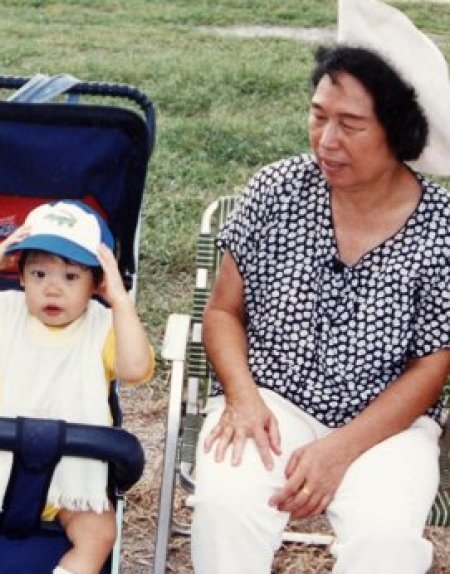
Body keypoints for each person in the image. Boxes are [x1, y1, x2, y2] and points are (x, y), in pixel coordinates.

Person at [191, 0, 450, 572]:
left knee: (386, 541)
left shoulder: (441, 226)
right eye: (318, 115)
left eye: (350, 124)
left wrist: (340, 449)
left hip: (387, 426)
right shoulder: (277, 189)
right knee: (225, 504)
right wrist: (242, 397)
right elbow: (224, 312)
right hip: (271, 400)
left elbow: (434, 364)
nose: (327, 140)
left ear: (398, 132)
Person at [0, 199, 154, 574]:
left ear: (95, 284)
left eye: (70, 278)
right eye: (38, 275)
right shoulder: (5, 313)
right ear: (19, 276)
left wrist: (119, 300)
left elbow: (134, 369)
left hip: (76, 470)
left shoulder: (103, 328)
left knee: (100, 532)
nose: (52, 290)